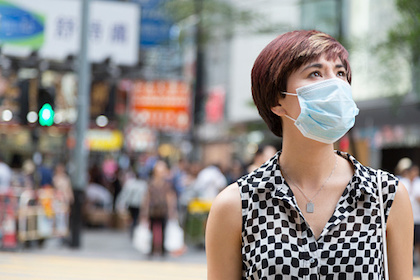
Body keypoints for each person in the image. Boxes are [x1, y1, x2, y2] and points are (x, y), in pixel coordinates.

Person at [205, 30, 413, 279]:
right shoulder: (236, 204)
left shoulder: (385, 194)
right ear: (277, 100)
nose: (335, 84)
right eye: (315, 73)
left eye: (340, 73)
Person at [141, 159, 177, 256]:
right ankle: (152, 248)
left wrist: (171, 211)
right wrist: (145, 212)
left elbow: (170, 198)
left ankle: (162, 249)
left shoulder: (167, 185)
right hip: (153, 211)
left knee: (163, 230)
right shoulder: (151, 184)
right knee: (152, 230)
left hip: (163, 210)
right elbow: (147, 198)